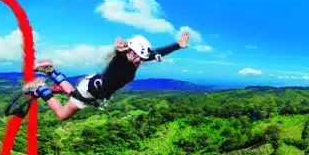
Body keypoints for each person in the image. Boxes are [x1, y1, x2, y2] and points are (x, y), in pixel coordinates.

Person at [19, 32, 190, 121]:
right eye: (137, 57)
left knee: (72, 92)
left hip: (92, 85)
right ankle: (41, 88)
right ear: (130, 52)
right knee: (62, 114)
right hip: (91, 90)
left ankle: (50, 71)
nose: (141, 61)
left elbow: (158, 52)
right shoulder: (121, 60)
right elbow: (119, 57)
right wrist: (119, 49)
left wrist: (178, 45)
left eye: (142, 58)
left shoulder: (136, 58)